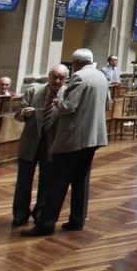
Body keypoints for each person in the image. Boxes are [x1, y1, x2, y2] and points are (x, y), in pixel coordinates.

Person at [23, 49, 110, 237]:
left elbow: (69, 106)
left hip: (74, 137)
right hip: (94, 137)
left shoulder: (79, 77)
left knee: (58, 181)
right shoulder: (102, 76)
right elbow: (107, 105)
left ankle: (45, 224)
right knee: (81, 180)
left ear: (75, 62)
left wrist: (57, 104)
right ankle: (77, 221)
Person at [11, 64, 67, 227]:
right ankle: (20, 213)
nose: (57, 81)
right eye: (54, 76)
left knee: (47, 181)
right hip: (31, 141)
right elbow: (17, 115)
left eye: (61, 78)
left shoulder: (68, 95)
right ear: (48, 76)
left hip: (52, 143)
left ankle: (40, 212)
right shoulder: (33, 91)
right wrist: (23, 113)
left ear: (66, 79)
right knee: (23, 180)